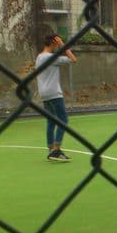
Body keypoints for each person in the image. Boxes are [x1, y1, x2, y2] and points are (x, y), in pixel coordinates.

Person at [36, 34, 77, 162]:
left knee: (51, 121)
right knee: (63, 120)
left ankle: (51, 149)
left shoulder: (39, 57)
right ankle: (56, 150)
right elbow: (73, 60)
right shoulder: (51, 57)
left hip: (44, 93)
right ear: (54, 43)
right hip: (54, 93)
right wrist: (63, 45)